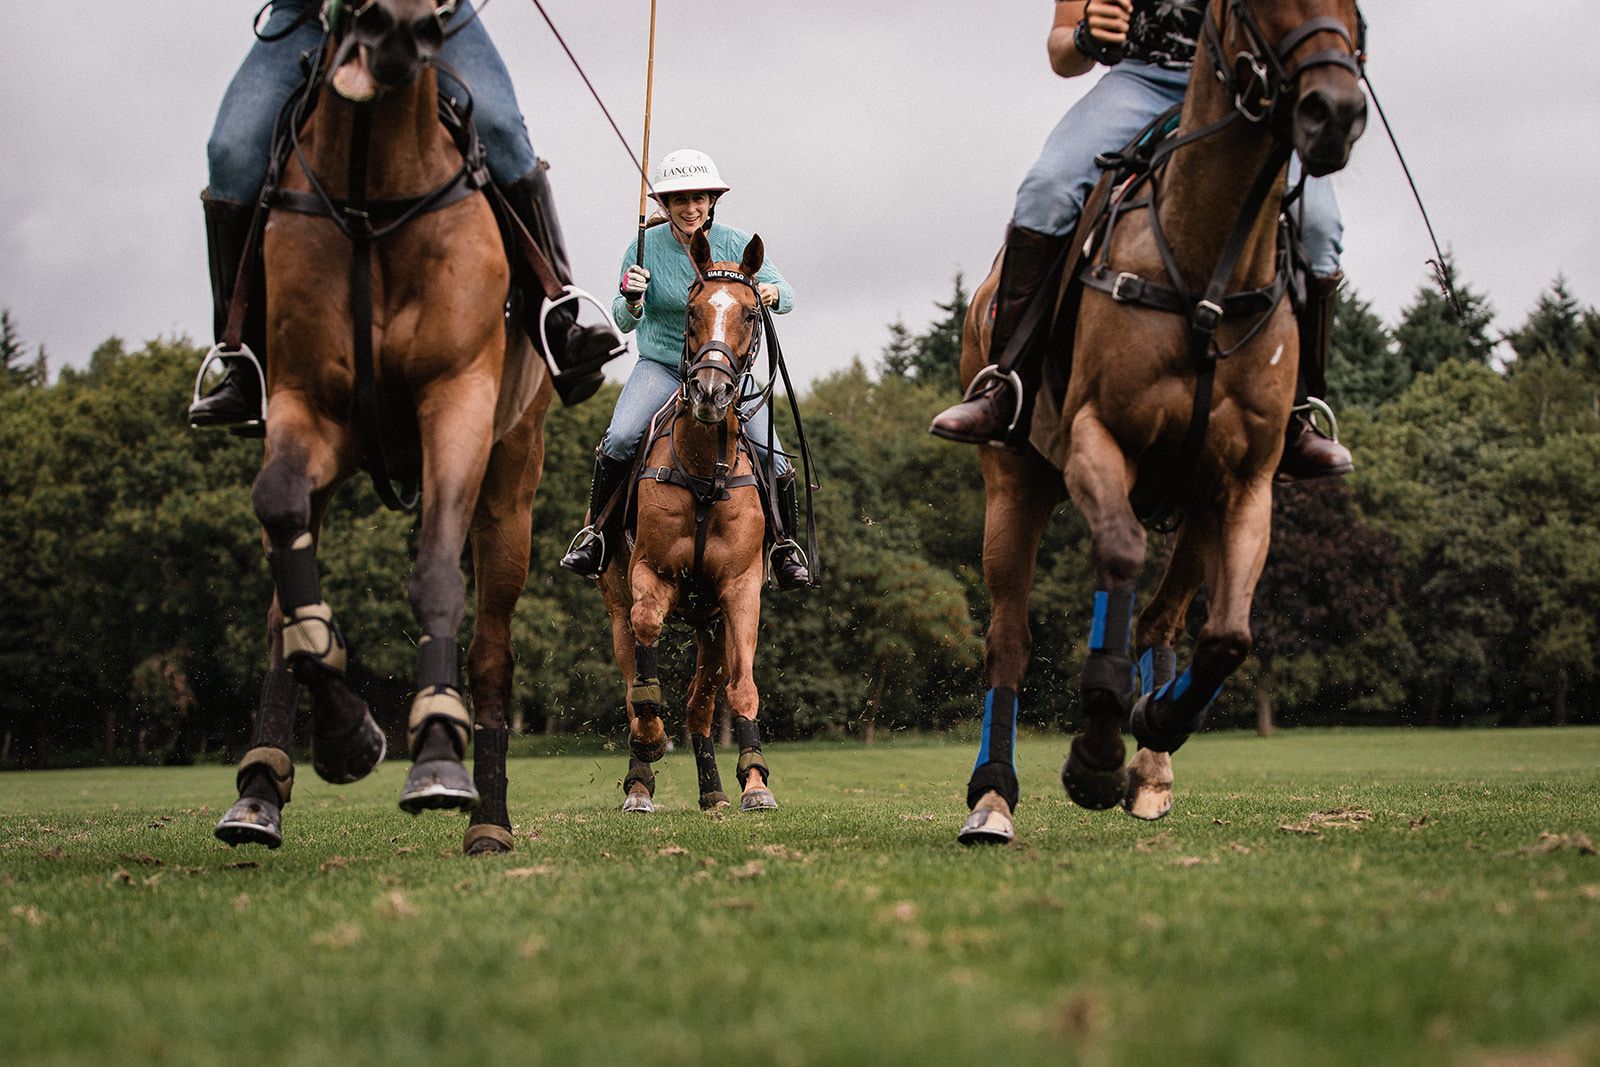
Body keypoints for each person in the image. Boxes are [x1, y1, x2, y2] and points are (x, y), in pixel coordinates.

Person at [930, 0, 1351, 480]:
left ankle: (1301, 412)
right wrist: (1086, 36)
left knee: (1320, 226)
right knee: (1047, 189)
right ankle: (1006, 387)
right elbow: (1062, 51)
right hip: (1146, 82)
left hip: (1249, 94)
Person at [188, 0, 620, 431]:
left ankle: (557, 322)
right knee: (232, 152)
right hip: (309, 18)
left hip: (431, 17)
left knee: (501, 128)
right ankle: (243, 362)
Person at [558, 148, 812, 590]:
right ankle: (596, 535)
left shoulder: (735, 243)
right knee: (619, 438)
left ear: (712, 201)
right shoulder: (644, 248)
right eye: (679, 200)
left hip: (727, 374)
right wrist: (632, 296)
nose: (690, 208)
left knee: (774, 456)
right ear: (664, 205)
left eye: (699, 198)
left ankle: (784, 547)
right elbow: (621, 319)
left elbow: (786, 294)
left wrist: (768, 291)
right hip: (662, 367)